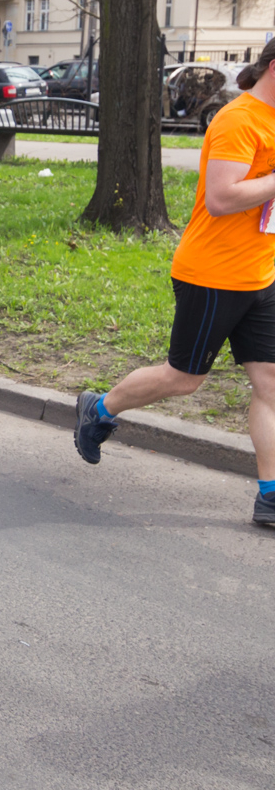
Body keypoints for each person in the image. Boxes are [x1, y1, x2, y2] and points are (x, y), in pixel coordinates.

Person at [75, 37, 275, 524]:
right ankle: (99, 409)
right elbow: (221, 199)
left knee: (271, 383)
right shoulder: (239, 120)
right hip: (213, 275)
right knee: (184, 380)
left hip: (261, 274)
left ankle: (271, 495)